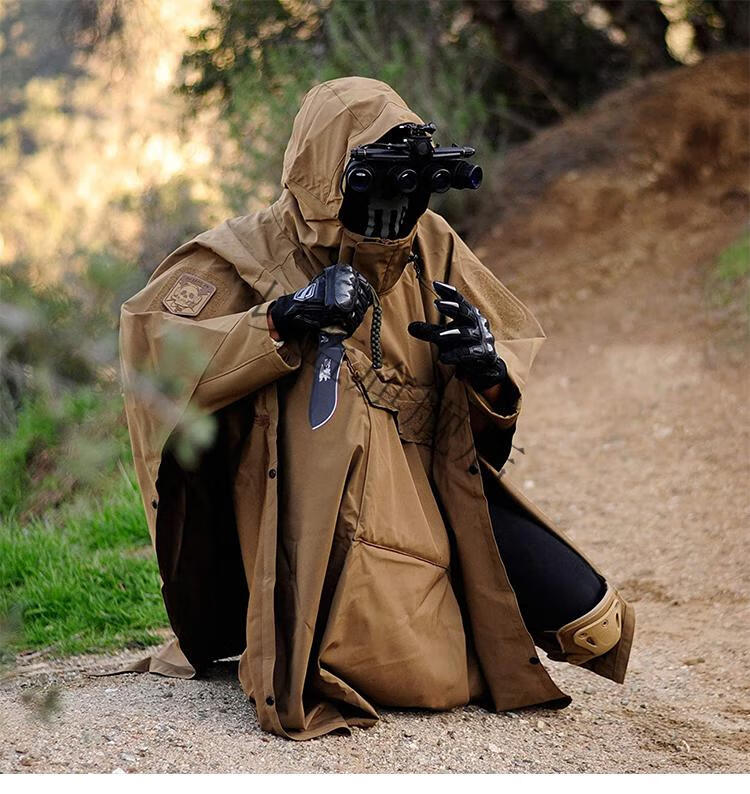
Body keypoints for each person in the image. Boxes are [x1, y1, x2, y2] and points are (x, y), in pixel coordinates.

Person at [119, 77, 634, 740]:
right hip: (303, 508)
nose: (395, 203)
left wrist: (485, 368)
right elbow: (153, 357)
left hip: (426, 494)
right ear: (325, 168)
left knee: (592, 621)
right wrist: (281, 320)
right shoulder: (239, 256)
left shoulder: (433, 247)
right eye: (375, 176)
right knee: (410, 666)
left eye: (408, 180)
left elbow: (507, 341)